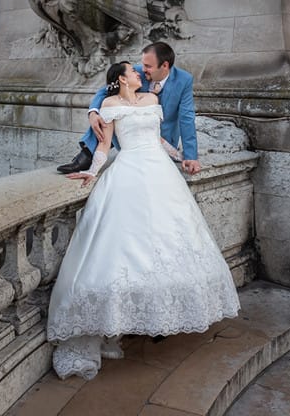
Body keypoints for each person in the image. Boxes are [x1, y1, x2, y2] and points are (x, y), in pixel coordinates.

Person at [47, 61, 240, 380]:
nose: (140, 74)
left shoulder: (152, 100)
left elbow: (160, 140)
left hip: (160, 171)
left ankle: (159, 316)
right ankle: (117, 322)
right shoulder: (107, 105)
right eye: (133, 72)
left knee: (170, 240)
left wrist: (184, 157)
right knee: (124, 244)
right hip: (128, 172)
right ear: (121, 78)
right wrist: (92, 173)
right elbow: (106, 147)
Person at [58, 41, 200, 175]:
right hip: (130, 133)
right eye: (143, 64)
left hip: (161, 140)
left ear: (164, 66)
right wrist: (93, 113)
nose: (142, 70)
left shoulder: (184, 80)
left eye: (148, 66)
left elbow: (186, 118)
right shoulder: (137, 72)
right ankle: (87, 154)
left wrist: (191, 156)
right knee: (109, 113)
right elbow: (105, 91)